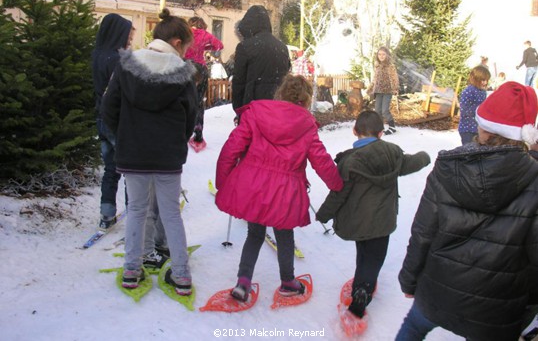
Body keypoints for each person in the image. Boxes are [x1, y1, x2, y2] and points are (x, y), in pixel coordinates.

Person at [396, 81, 538, 341]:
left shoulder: (448, 166)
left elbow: (423, 232)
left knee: (413, 328)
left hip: (437, 291)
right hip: (496, 310)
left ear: (482, 125)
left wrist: (409, 279)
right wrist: (527, 309)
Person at [215, 74, 344, 301]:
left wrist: (223, 181)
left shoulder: (256, 113)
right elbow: (321, 160)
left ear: (280, 93)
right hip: (285, 191)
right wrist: (338, 185)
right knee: (285, 235)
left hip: (252, 185)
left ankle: (243, 283)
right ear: (305, 100)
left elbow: (232, 147)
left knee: (254, 234)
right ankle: (288, 282)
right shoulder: (306, 125)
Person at [101, 8, 198, 293]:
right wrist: (177, 140)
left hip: (134, 152)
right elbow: (190, 114)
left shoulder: (127, 64)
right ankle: (181, 274)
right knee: (170, 213)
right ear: (177, 43)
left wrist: (125, 136)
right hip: (168, 155)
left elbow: (109, 108)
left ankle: (132, 270)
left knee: (136, 210)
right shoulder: (182, 72)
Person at [316, 110, 430, 319]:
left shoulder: (349, 162)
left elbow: (338, 194)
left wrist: (323, 214)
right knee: (374, 258)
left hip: (358, 221)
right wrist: (425, 157)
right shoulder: (393, 154)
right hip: (383, 222)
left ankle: (361, 293)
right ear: (380, 134)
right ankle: (364, 285)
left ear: (354, 131)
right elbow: (411, 162)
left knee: (364, 252)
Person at [91, 13, 134, 229]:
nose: (129, 40)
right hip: (117, 120)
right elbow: (124, 92)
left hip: (101, 117)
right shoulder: (119, 59)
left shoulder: (98, 54)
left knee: (111, 169)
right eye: (128, 35)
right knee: (129, 169)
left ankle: (106, 214)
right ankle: (134, 213)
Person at [232, 5, 291, 114]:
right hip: (277, 104)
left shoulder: (245, 47)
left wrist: (239, 108)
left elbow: (239, 81)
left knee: (254, 131)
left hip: (253, 104)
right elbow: (286, 76)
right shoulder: (282, 47)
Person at [184, 16, 223, 151]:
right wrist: (207, 46)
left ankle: (182, 133)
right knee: (199, 102)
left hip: (185, 67)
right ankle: (198, 136)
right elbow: (219, 45)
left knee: (183, 100)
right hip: (200, 68)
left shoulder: (185, 32)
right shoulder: (204, 34)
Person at [368, 46, 399, 135]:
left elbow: (394, 78)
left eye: (383, 54)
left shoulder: (390, 66)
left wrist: (395, 88)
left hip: (387, 91)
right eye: (379, 54)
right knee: (377, 110)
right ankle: (379, 128)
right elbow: (375, 79)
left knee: (385, 110)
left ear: (387, 55)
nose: (381, 56)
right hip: (378, 91)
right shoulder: (377, 66)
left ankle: (392, 127)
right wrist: (370, 88)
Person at [458, 65, 491, 145]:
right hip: (467, 129)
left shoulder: (482, 92)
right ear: (475, 79)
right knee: (469, 152)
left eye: (486, 80)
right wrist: (480, 109)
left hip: (479, 129)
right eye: (483, 80)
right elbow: (465, 110)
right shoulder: (468, 91)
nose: (485, 83)